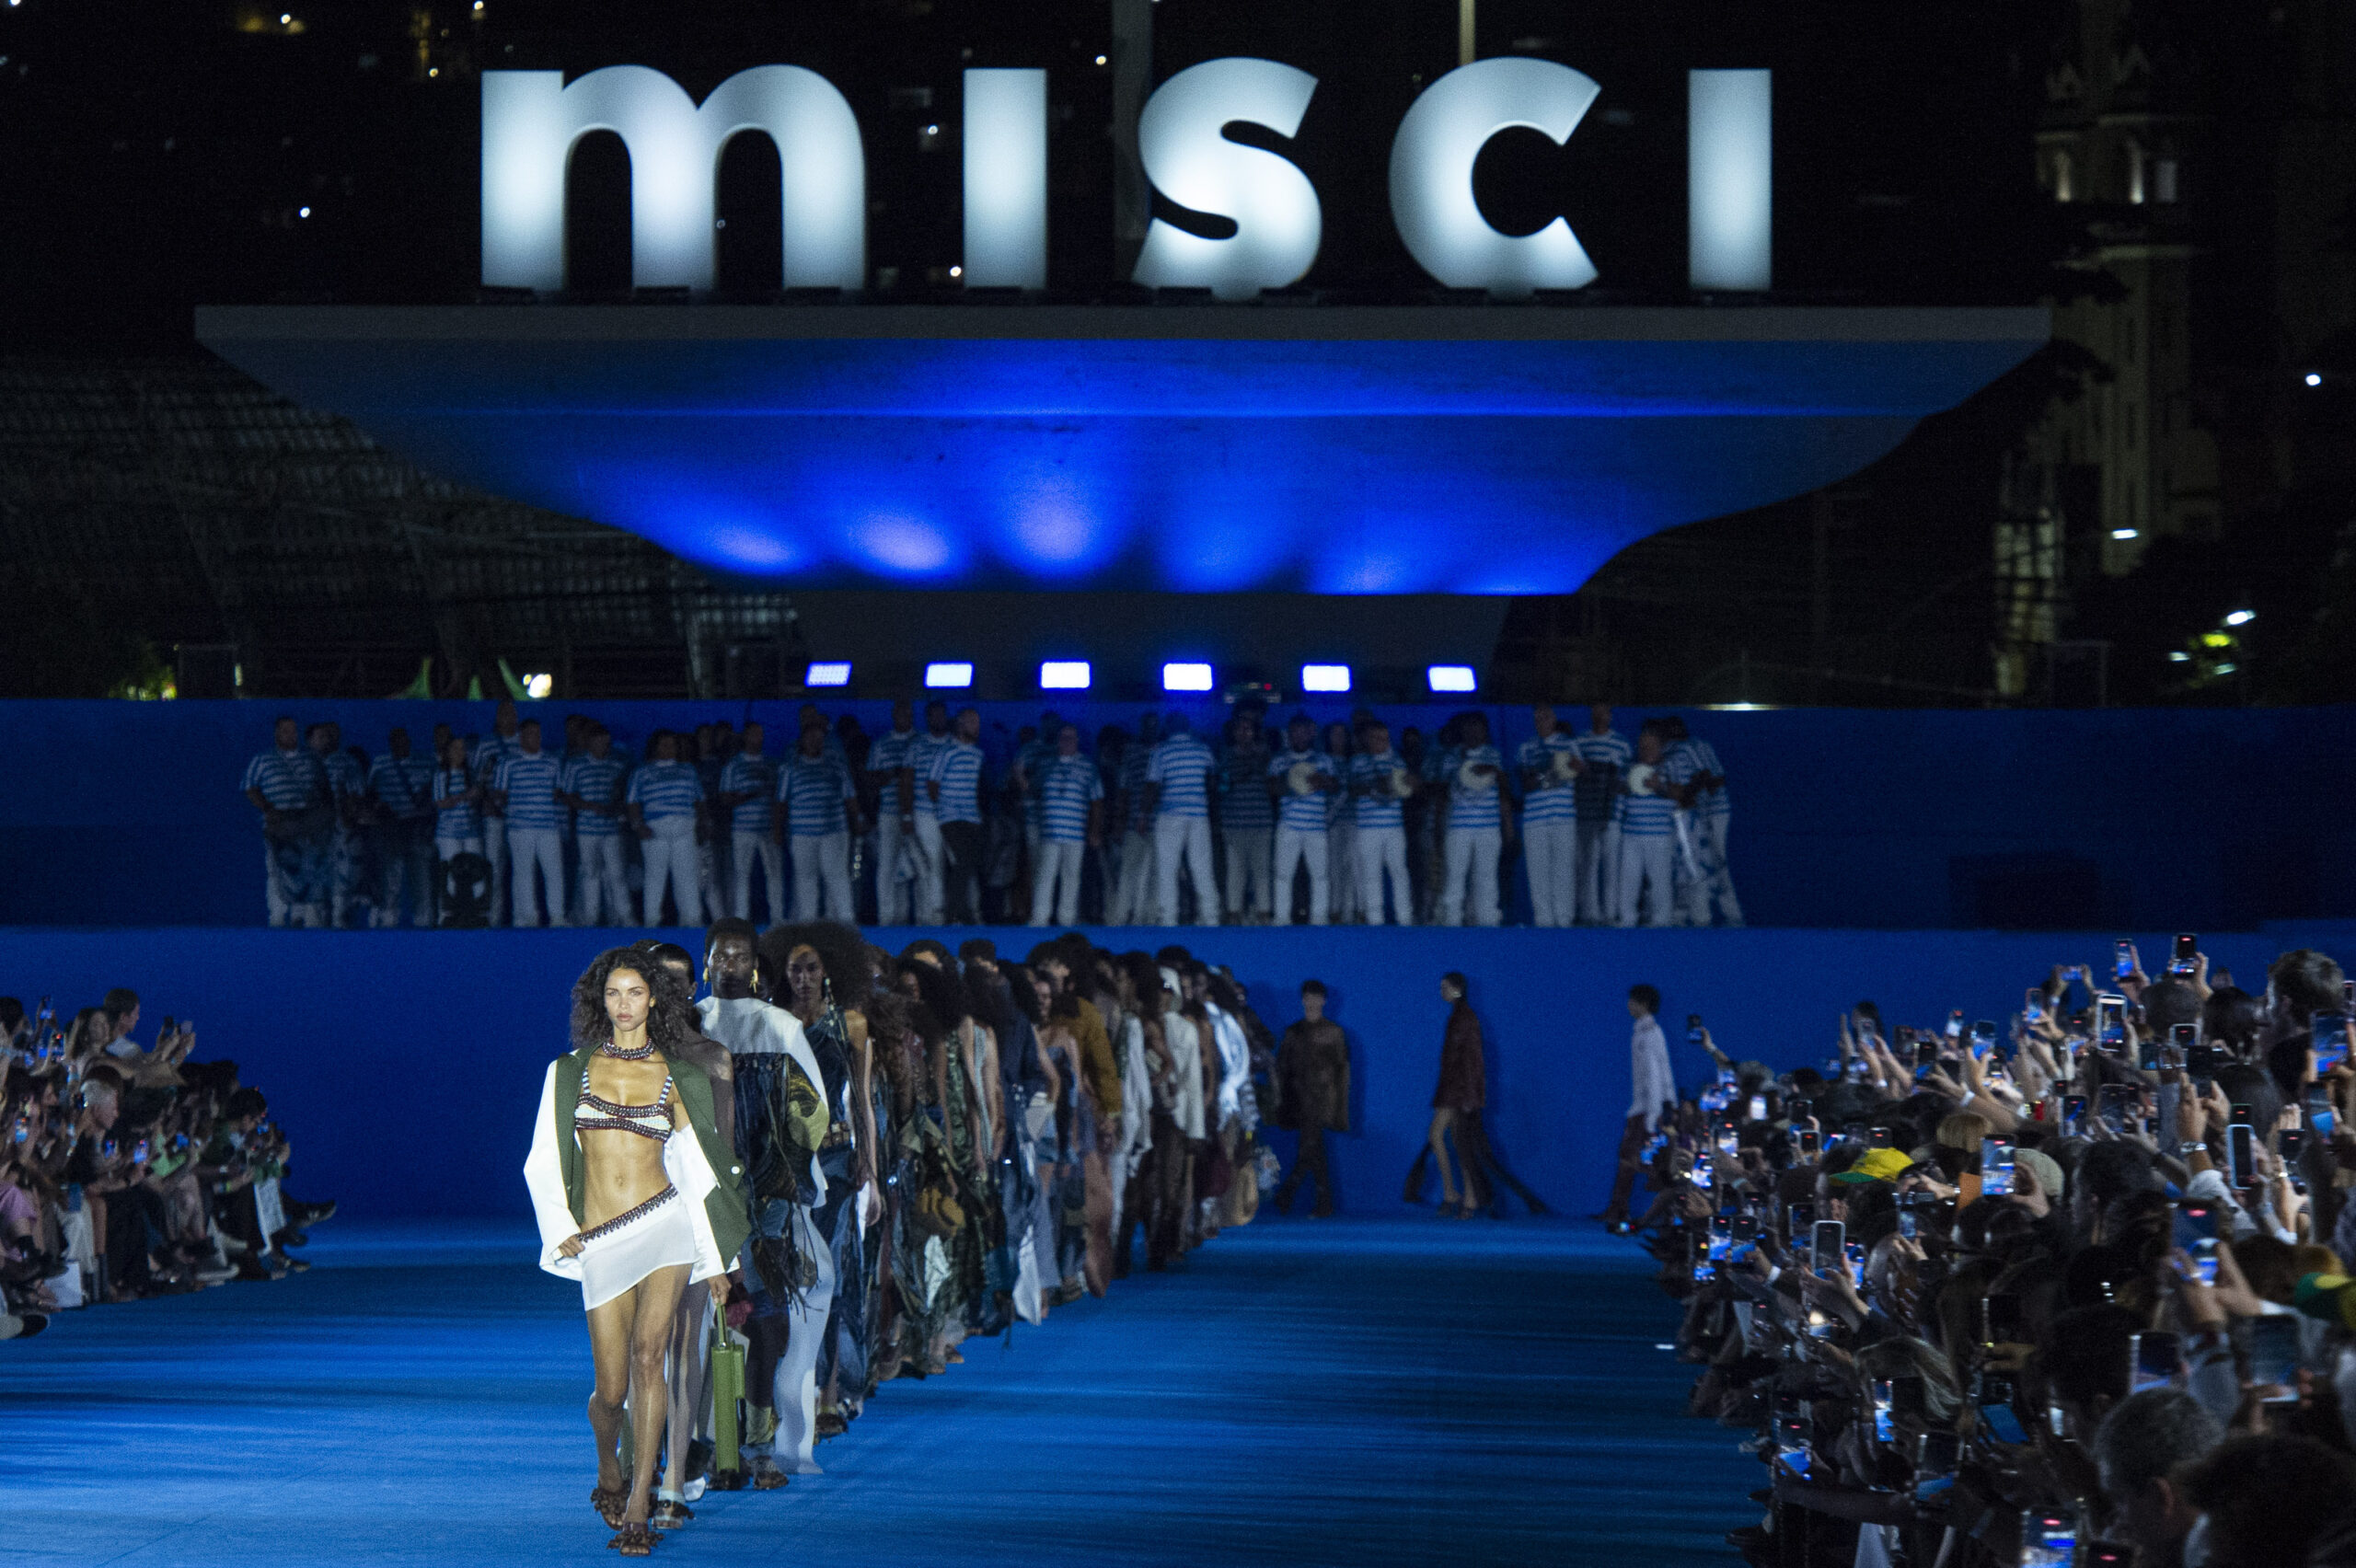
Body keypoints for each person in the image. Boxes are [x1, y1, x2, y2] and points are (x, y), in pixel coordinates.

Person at [522, 949, 747, 1556]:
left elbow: (696, 1172)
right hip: (601, 1239)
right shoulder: (570, 1071)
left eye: (636, 993)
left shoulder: (679, 1076)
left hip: (665, 1225)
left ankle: (641, 1504)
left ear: (655, 1001)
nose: (625, 1005)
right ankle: (609, 1469)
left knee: (654, 1359)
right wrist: (558, 1226)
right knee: (612, 1389)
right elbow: (544, 1158)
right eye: (614, 993)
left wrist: (718, 1260)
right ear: (601, 1000)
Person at [694, 919, 825, 1492]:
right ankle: (716, 1446)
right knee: (712, 1324)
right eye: (718, 954)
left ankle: (758, 1445)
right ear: (706, 963)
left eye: (738, 955)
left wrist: (785, 1186)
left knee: (762, 1319)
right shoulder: (689, 1025)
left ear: (752, 966)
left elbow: (811, 1114)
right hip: (703, 1198)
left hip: (767, 1199)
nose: (728, 963)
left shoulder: (782, 1027)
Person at [1598, 983, 1673, 1231]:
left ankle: (1665, 1208)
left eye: (1633, 1001)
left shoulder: (1650, 1034)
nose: (1628, 1005)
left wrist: (1652, 1118)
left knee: (1638, 1160)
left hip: (1647, 1111)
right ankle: (1620, 1208)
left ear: (1644, 1004)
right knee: (1637, 1160)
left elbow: (1654, 1077)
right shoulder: (1643, 1032)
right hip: (1644, 1109)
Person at [242, 715, 329, 928]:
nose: (291, 735)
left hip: (307, 823)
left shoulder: (310, 760)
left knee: (308, 868)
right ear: (277, 733)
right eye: (286, 731)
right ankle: (279, 917)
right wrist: (268, 809)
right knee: (278, 869)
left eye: (293, 731)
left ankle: (301, 916)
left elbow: (323, 788)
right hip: (279, 824)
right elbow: (250, 786)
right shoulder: (262, 759)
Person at [1273, 980, 1348, 1216]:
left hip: (1323, 1099)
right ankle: (1322, 1203)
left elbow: (1342, 1071)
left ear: (1324, 1001)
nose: (1312, 1002)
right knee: (1315, 1151)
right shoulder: (1293, 1032)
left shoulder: (1334, 1033)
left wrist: (1340, 1108)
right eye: (1308, 997)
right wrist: (1279, 1101)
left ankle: (1287, 1193)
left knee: (1310, 1147)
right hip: (1298, 1099)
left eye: (1317, 997)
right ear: (1303, 1000)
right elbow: (1281, 1067)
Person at [778, 717, 861, 922]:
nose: (815, 741)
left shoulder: (836, 766)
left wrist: (857, 821)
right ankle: (808, 923)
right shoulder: (790, 768)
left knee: (837, 876)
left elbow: (850, 797)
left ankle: (845, 922)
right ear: (802, 740)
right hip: (802, 833)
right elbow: (780, 802)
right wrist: (777, 830)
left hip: (835, 832)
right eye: (810, 737)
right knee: (806, 879)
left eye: (819, 737)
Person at [1417, 972, 1486, 1216]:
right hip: (1453, 1091)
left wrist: (1470, 1095)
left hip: (1459, 1092)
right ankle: (1456, 1193)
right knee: (1445, 1138)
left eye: (1444, 987)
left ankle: (1465, 1196)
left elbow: (1473, 1060)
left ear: (1457, 989)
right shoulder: (1459, 1017)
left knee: (1457, 1141)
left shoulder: (1465, 1018)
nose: (1441, 991)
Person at [492, 718, 569, 928]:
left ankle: (557, 916)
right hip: (519, 827)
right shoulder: (508, 762)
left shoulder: (553, 762)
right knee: (523, 872)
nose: (536, 737)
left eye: (538, 733)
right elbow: (498, 793)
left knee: (554, 871)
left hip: (548, 826)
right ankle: (526, 918)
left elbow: (558, 791)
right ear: (521, 736)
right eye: (531, 733)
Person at [1435, 712, 1507, 927]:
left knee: (1486, 876)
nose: (1473, 733)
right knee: (1455, 875)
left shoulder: (1493, 755)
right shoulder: (1450, 757)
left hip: (1488, 826)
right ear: (1462, 731)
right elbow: (1442, 793)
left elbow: (1504, 786)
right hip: (1458, 827)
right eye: (1469, 729)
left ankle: (1487, 921)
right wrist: (1439, 827)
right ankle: (1452, 921)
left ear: (1485, 731)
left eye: (1478, 729)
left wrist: (1492, 769)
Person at [1027, 724, 1103, 928]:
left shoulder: (1088, 767)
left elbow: (1097, 801)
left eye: (1071, 737)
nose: (1066, 741)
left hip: (1075, 832)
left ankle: (1066, 919)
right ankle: (1039, 918)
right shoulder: (1046, 765)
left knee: (1071, 876)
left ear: (1077, 740)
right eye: (1063, 737)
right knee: (1045, 875)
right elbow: (1033, 792)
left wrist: (1094, 831)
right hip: (1049, 831)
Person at [1145, 712, 1217, 927]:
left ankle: (1169, 918)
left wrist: (1143, 814)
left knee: (1168, 867)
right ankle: (1211, 916)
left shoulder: (1162, 751)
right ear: (1188, 727)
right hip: (1198, 814)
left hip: (1170, 814)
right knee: (1202, 866)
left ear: (1168, 727)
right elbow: (1212, 782)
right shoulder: (1202, 749)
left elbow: (1152, 785)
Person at [1267, 713, 1338, 927]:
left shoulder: (1323, 760)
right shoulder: (1279, 760)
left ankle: (1319, 918)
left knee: (1320, 874)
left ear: (1311, 732)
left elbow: (1336, 786)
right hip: (1288, 825)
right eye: (1294, 731)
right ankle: (1281, 918)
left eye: (1303, 731)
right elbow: (1271, 788)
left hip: (1316, 826)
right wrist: (1291, 780)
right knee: (1282, 874)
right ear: (1289, 734)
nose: (1298, 736)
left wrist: (1323, 781)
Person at [627, 732, 704, 926]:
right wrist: (638, 826)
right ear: (655, 747)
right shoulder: (642, 772)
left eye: (672, 744)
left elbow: (699, 800)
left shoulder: (688, 770)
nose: (668, 748)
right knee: (655, 877)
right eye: (664, 744)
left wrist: (704, 824)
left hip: (685, 828)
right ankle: (652, 920)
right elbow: (632, 802)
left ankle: (692, 919)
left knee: (687, 876)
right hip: (655, 830)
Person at [365, 726, 437, 928]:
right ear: (389, 743)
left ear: (409, 741)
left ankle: (423, 921)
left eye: (403, 740)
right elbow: (370, 793)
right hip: (391, 828)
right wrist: (380, 808)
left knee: (421, 876)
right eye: (395, 741)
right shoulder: (380, 763)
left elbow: (435, 792)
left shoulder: (425, 763)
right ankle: (390, 920)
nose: (400, 744)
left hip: (418, 828)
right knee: (391, 877)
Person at [1517, 704, 1580, 928]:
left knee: (1564, 869)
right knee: (1538, 872)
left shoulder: (1569, 743)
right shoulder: (1526, 747)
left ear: (1553, 718)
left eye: (1545, 716)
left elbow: (1581, 770)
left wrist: (1575, 766)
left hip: (1563, 816)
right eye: (1537, 717)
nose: (1541, 721)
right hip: (1535, 819)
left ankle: (1564, 921)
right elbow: (1525, 782)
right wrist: (1545, 774)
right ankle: (1544, 921)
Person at [561, 725, 629, 927]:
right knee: (590, 873)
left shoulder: (616, 765)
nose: (604, 746)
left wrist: (614, 808)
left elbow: (622, 795)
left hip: (611, 830)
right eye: (600, 742)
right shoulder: (576, 765)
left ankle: (625, 917)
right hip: (587, 830)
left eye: (606, 742)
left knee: (617, 873)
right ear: (590, 742)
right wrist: (590, 806)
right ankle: (590, 919)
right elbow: (567, 794)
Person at [1347, 717, 1413, 925]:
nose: (1380, 742)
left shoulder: (1397, 761)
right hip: (1368, 828)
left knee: (1399, 871)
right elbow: (1352, 789)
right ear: (1367, 739)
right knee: (1370, 873)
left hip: (1394, 827)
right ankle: (1375, 919)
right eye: (1375, 738)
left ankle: (1405, 918)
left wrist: (1410, 783)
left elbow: (1407, 789)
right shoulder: (1358, 761)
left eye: (1384, 738)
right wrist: (1376, 784)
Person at [1568, 702, 1629, 925]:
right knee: (1588, 865)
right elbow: (1575, 777)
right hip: (1586, 814)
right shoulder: (1581, 742)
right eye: (1595, 711)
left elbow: (1625, 779)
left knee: (1612, 865)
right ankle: (1590, 915)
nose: (1600, 716)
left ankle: (1610, 914)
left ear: (1610, 715)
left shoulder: (1621, 743)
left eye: (1604, 711)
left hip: (1612, 815)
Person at [924, 708, 987, 923]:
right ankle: (954, 914)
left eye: (977, 722)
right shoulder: (946, 751)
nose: (976, 727)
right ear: (960, 725)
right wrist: (944, 806)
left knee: (969, 863)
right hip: (950, 816)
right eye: (971, 722)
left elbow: (978, 786)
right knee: (962, 860)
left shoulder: (978, 754)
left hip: (972, 817)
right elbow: (932, 783)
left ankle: (965, 912)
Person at [1612, 725, 1679, 928]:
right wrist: (1624, 786)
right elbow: (1620, 793)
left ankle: (1661, 922)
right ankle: (1627, 921)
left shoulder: (1669, 767)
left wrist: (1659, 787)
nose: (1646, 750)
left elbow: (1679, 795)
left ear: (1660, 747)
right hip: (1631, 834)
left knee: (1660, 882)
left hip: (1659, 835)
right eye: (1642, 746)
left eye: (1650, 746)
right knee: (1628, 881)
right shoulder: (1630, 768)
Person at [719, 721, 783, 922]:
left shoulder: (772, 765)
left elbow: (780, 798)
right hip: (743, 829)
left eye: (761, 734)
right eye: (754, 734)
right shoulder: (733, 766)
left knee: (774, 874)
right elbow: (725, 798)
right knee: (741, 875)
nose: (759, 738)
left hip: (769, 828)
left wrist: (778, 826)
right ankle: (741, 919)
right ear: (745, 737)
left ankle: (777, 918)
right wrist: (750, 795)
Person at [1217, 707, 1276, 925]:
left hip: (1261, 822)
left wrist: (1260, 760)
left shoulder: (1267, 756)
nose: (1244, 733)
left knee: (1261, 871)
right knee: (1235, 870)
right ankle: (1234, 913)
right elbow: (1221, 787)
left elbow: (1273, 787)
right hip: (1234, 823)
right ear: (1233, 733)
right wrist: (1246, 769)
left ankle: (1263, 913)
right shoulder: (1225, 756)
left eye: (1248, 729)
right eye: (1240, 729)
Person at [866, 700, 922, 924]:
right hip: (889, 812)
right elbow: (871, 779)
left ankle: (919, 918)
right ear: (893, 715)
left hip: (917, 813)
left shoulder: (920, 741)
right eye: (900, 713)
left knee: (918, 866)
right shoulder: (881, 745)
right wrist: (892, 774)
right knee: (887, 865)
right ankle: (887, 918)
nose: (904, 717)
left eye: (907, 713)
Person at [472, 698, 526, 926]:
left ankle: (521, 919)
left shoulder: (524, 743)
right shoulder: (486, 745)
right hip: (493, 816)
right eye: (503, 713)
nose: (508, 718)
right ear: (496, 717)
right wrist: (488, 803)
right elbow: (475, 778)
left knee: (522, 869)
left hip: (522, 817)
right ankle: (492, 919)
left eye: (512, 713)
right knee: (493, 867)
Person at [1105, 711, 1160, 925]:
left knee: (1155, 872)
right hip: (1133, 823)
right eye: (1147, 725)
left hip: (1160, 824)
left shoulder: (1163, 752)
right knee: (1129, 870)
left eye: (1154, 725)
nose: (1151, 729)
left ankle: (1148, 917)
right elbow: (1123, 789)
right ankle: (1121, 916)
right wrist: (1120, 822)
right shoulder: (1132, 752)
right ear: (1142, 727)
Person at [907, 699, 954, 923]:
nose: (938, 719)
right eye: (933, 715)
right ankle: (932, 915)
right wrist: (906, 814)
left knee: (951, 864)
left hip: (952, 814)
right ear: (927, 718)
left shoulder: (954, 744)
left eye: (941, 714)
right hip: (925, 813)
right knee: (931, 863)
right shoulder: (917, 745)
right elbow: (905, 780)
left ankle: (946, 912)